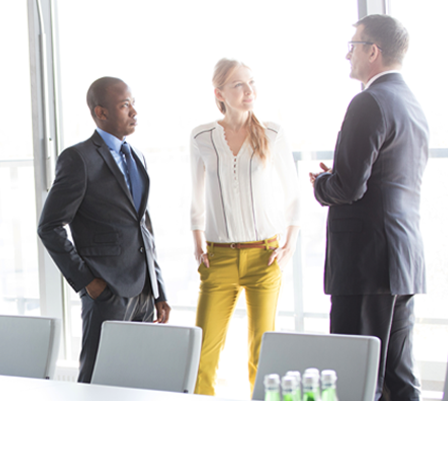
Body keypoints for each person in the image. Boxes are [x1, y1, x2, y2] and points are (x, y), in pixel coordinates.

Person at [310, 14, 428, 401]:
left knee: (355, 377)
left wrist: (322, 184)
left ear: (373, 51)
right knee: (397, 375)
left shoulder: (369, 100)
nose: (348, 56)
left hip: (365, 262)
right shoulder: (411, 103)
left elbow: (347, 187)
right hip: (401, 259)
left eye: (354, 46)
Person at [37, 77, 170, 383]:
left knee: (137, 378)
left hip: (144, 291)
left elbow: (143, 228)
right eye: (125, 105)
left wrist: (158, 289)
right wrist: (88, 283)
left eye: (133, 103)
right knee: (95, 379)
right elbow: (49, 227)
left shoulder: (137, 157)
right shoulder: (78, 158)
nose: (134, 112)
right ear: (101, 112)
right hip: (107, 291)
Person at [190, 59, 301, 396]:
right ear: (219, 92)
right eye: (238, 84)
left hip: (264, 257)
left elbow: (294, 195)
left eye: (251, 83)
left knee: (261, 352)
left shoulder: (272, 133)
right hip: (218, 258)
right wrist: (197, 244)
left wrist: (289, 247)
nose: (248, 90)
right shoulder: (201, 136)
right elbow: (195, 198)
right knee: (202, 353)